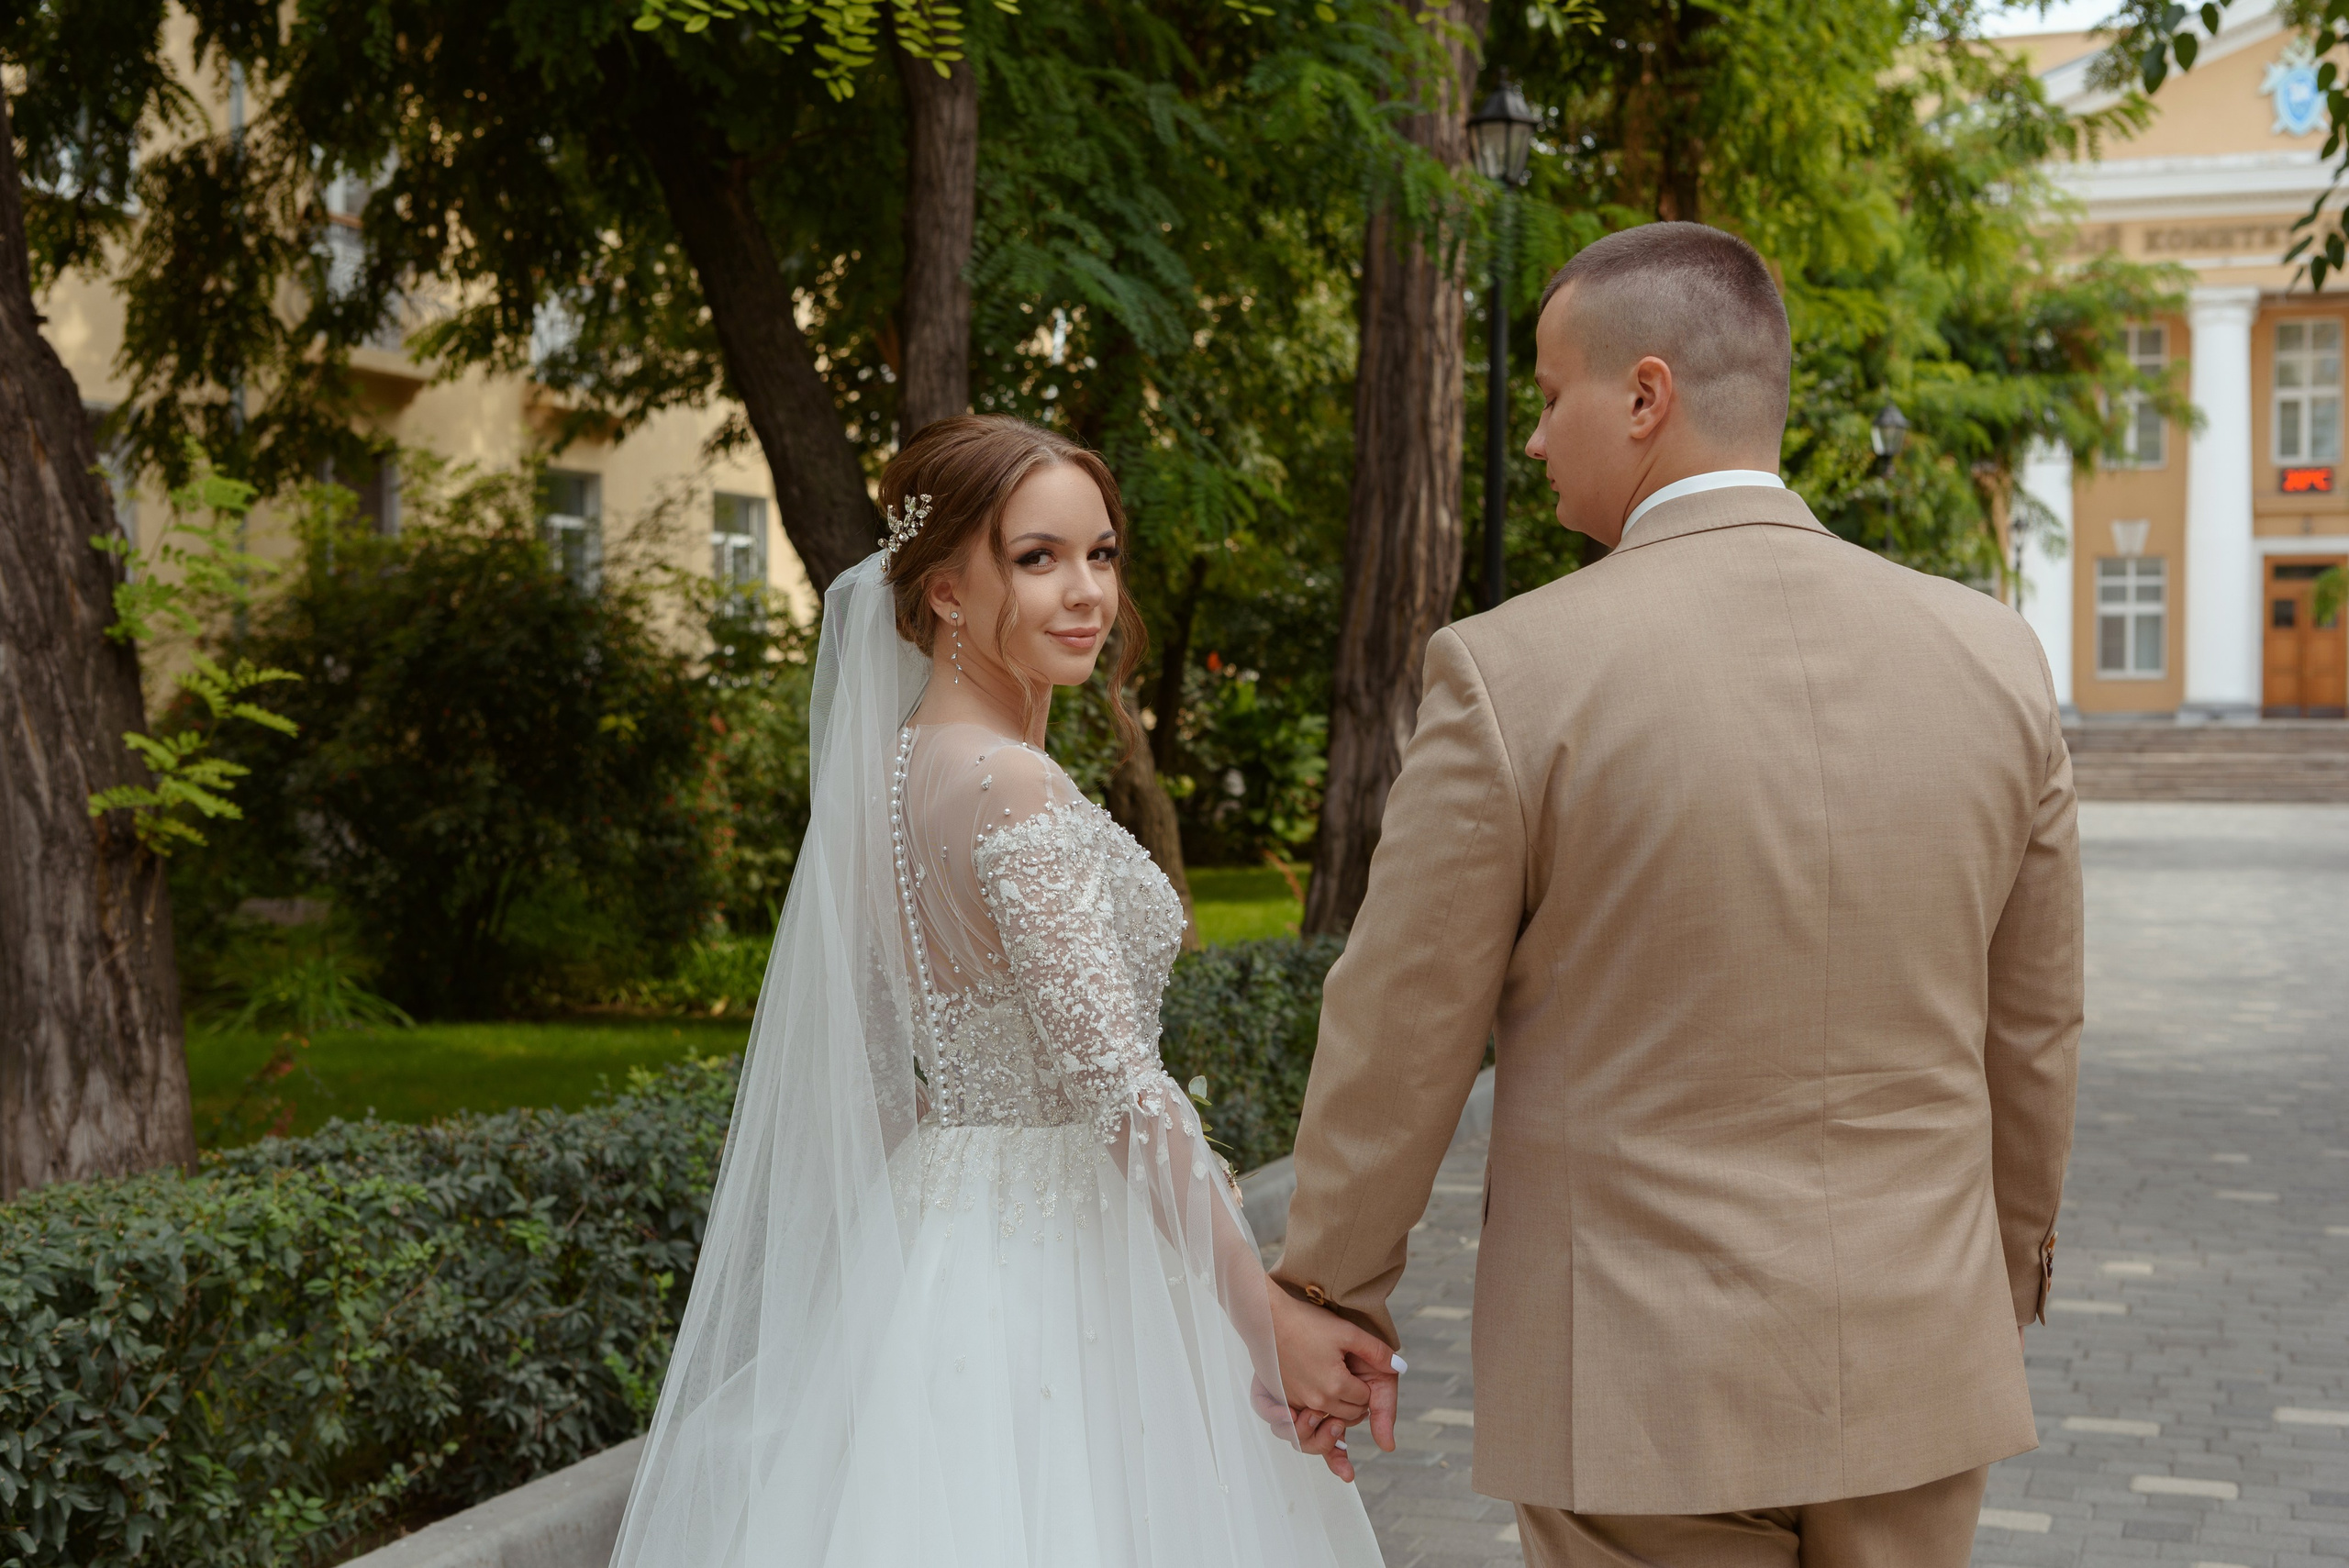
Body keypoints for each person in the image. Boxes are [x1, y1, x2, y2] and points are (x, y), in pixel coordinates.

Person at [1268, 222, 2084, 1567]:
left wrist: (1326, 1287)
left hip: (1641, 1379)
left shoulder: (1512, 673)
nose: (1531, 441)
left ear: (1645, 396)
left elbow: (1403, 1024)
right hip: (1921, 1359)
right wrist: (1981, 1292)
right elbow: (2034, 1034)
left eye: (1545, 397)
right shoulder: (1994, 659)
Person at [607, 414, 1388, 1567]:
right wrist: (1258, 1311)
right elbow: (1118, 1083)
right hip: (1058, 1257)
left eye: (1102, 554)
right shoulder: (1011, 788)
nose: (1085, 593)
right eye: (1037, 557)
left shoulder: (894, 774)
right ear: (946, 594)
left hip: (939, 1239)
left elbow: (880, 1075)